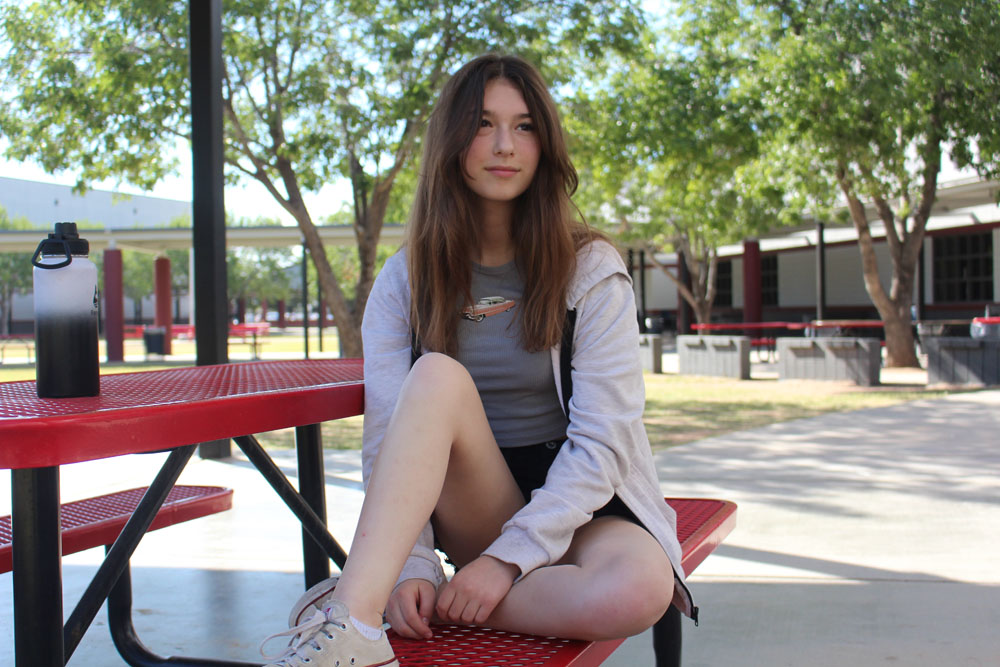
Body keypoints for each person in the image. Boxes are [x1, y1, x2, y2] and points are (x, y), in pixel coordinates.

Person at [259, 53, 695, 667]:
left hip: (581, 499)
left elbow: (605, 440)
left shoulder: (592, 270)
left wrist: (504, 561)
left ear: (544, 145)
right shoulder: (405, 279)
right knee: (434, 376)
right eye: (483, 124)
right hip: (475, 496)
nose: (503, 145)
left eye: (523, 126)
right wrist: (412, 561)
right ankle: (355, 623)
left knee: (640, 589)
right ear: (452, 141)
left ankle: (416, 600)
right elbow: (389, 431)